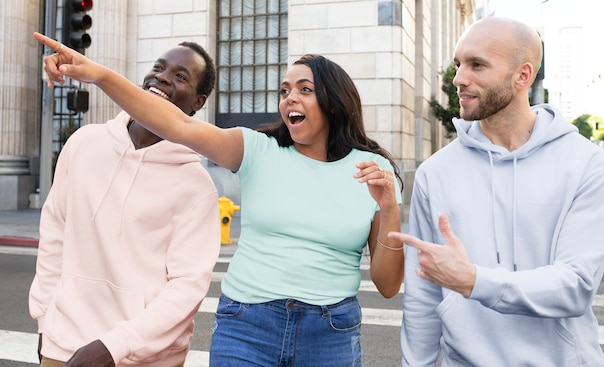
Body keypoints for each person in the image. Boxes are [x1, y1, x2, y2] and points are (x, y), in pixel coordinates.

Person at [33, 32, 405, 366]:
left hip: (330, 332)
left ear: (334, 101)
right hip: (247, 327)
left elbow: (388, 286)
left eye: (304, 89)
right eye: (285, 90)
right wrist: (99, 75)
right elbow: (178, 124)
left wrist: (389, 209)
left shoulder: (373, 171)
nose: (290, 97)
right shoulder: (258, 150)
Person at [387, 17, 604, 366]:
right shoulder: (436, 172)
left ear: (523, 75)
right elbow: (423, 297)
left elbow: (575, 287)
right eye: (458, 64)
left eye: (477, 65)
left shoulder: (588, 165)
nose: (458, 79)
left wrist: (474, 281)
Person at [28, 41, 221, 367]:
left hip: (147, 358)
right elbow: (54, 236)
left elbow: (186, 290)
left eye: (180, 76)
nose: (161, 77)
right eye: (158, 68)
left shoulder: (197, 187)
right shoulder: (83, 144)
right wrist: (46, 321)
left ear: (198, 102)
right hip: (63, 346)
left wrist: (113, 346)